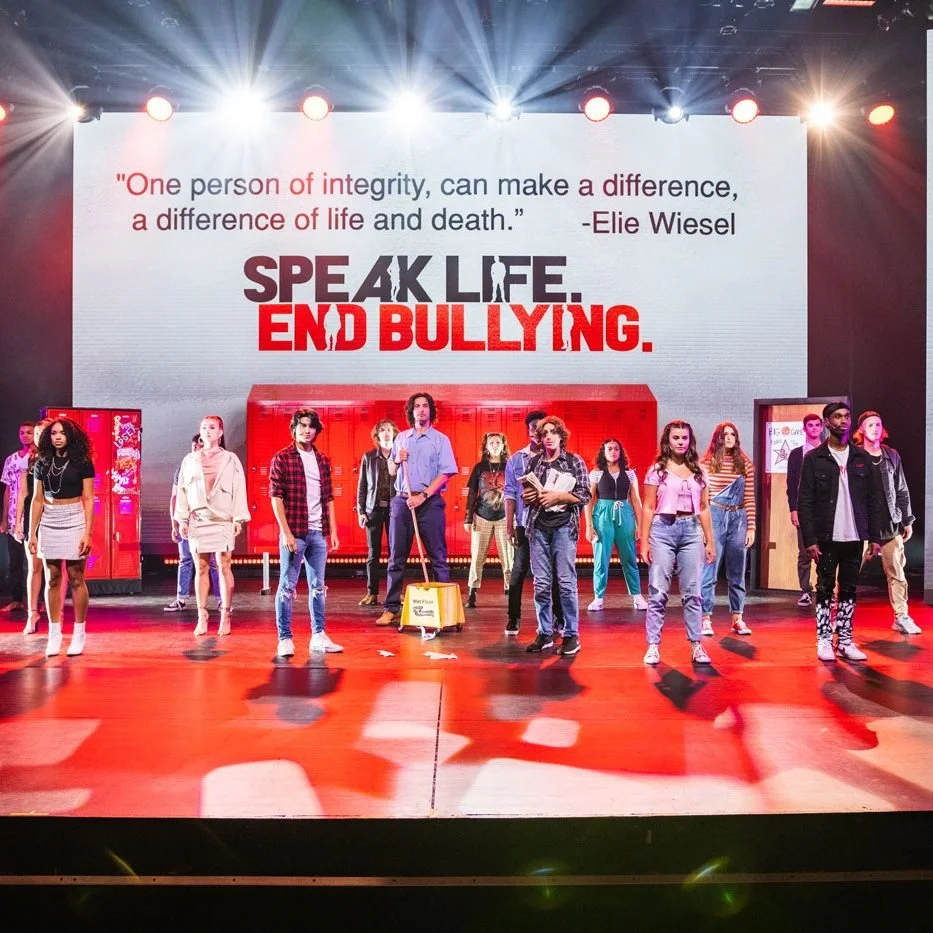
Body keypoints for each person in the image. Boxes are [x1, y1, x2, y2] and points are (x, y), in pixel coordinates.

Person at [797, 401, 885, 662]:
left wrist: (876, 537)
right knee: (824, 587)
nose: (844, 421)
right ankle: (824, 639)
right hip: (826, 537)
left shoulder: (861, 458)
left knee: (849, 588)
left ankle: (845, 639)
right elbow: (805, 501)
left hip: (855, 536)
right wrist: (810, 539)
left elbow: (874, 499)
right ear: (827, 423)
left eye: (847, 416)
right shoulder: (814, 459)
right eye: (837, 417)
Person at [376, 392, 458, 628]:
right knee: (395, 558)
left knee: (438, 558)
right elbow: (391, 471)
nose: (421, 410)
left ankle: (444, 609)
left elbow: (445, 474)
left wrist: (423, 496)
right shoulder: (401, 438)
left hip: (429, 503)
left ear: (431, 411)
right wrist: (396, 460)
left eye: (425, 406)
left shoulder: (441, 440)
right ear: (411, 411)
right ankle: (391, 608)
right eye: (417, 406)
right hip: (402, 502)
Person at [639, 421, 716, 667]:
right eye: (676, 437)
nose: (681, 441)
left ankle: (696, 644)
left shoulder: (699, 471)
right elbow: (649, 507)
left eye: (684, 437)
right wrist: (644, 541)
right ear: (668, 441)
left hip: (691, 530)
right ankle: (653, 645)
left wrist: (710, 541)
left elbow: (704, 508)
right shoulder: (657, 471)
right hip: (663, 529)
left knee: (693, 592)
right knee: (659, 591)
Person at [270, 408, 342, 657]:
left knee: (318, 586)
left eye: (310, 426)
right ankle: (284, 638)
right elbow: (276, 498)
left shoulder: (322, 460)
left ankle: (318, 635)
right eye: (301, 425)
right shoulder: (283, 458)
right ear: (293, 428)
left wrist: (332, 529)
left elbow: (329, 497)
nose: (306, 429)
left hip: (317, 532)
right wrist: (286, 533)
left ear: (316, 430)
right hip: (295, 531)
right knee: (287, 586)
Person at [174, 415, 249, 637]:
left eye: (212, 427)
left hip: (223, 518)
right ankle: (202, 615)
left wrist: (238, 518)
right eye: (204, 427)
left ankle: (226, 614)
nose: (207, 431)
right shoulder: (190, 460)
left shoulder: (231, 459)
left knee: (224, 566)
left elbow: (239, 487)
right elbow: (183, 491)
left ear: (220, 433)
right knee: (202, 567)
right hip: (199, 519)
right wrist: (182, 519)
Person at [521, 415, 590, 657]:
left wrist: (559, 497)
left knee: (565, 582)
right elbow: (526, 494)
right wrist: (528, 497)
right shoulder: (534, 463)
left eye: (553, 432)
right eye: (544, 433)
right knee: (541, 584)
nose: (548, 436)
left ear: (561, 436)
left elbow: (585, 495)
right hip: (538, 527)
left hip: (563, 528)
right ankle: (545, 632)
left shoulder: (573, 462)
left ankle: (571, 634)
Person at [27, 418, 95, 657]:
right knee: (53, 578)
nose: (57, 436)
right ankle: (54, 635)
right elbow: (36, 499)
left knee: (76, 577)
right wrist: (31, 532)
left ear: (71, 436)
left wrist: (88, 532)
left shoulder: (82, 462)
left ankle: (79, 632)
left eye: (62, 433)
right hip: (50, 518)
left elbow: (88, 498)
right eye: (53, 433)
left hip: (74, 517)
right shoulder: (41, 462)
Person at [853, 410, 920, 635]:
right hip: (860, 527)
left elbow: (901, 488)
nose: (875, 428)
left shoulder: (891, 455)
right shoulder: (853, 455)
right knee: (847, 575)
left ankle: (901, 617)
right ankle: (838, 617)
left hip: (890, 524)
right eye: (870, 425)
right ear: (861, 430)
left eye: (878, 424)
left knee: (897, 574)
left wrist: (907, 520)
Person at [504, 410, 566, 637]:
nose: (538, 433)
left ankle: (559, 619)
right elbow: (509, 493)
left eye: (543, 429)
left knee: (556, 573)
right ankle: (513, 617)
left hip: (552, 522)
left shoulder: (559, 458)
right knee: (519, 570)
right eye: (534, 428)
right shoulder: (516, 459)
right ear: (529, 431)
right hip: (525, 522)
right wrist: (509, 525)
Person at [699, 422, 756, 636]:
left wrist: (751, 527)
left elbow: (749, 497)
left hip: (739, 517)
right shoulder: (705, 464)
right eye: (725, 434)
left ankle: (737, 618)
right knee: (709, 569)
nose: (729, 438)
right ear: (717, 438)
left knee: (737, 570)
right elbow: (702, 501)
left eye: (733, 434)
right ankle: (705, 618)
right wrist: (703, 530)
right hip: (715, 515)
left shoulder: (745, 464)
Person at [583, 438, 646, 612]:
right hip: (602, 515)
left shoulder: (630, 473)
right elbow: (589, 499)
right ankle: (598, 597)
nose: (613, 452)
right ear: (603, 452)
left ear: (621, 452)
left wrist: (640, 525)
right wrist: (589, 525)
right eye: (609, 449)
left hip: (624, 514)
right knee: (601, 558)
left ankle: (637, 596)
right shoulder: (596, 473)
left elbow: (636, 499)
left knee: (630, 557)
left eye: (616, 449)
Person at [165, 433, 220, 613]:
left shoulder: (216, 465)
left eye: (199, 446)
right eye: (193, 447)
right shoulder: (183, 467)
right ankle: (181, 598)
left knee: (213, 562)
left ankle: (221, 600)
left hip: (209, 520)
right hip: (187, 521)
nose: (195, 449)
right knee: (185, 559)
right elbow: (175, 497)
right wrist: (175, 522)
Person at [464, 432, 512, 608]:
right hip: (481, 516)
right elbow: (471, 494)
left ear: (503, 446)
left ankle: (510, 590)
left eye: (498, 442)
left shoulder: (509, 466)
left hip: (504, 517)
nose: (494, 445)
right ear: (486, 446)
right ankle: (472, 593)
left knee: (508, 558)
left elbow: (516, 493)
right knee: (477, 557)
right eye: (491, 442)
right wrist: (468, 518)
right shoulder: (479, 468)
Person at [14, 419, 51, 635]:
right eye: (36, 434)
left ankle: (56, 612)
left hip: (55, 516)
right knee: (34, 567)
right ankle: (32, 613)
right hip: (33, 517)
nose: (38, 437)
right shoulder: (29, 461)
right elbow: (23, 494)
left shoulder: (63, 459)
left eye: (42, 433)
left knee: (54, 569)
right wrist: (18, 522)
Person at [356, 420, 398, 607]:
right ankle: (372, 593)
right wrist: (361, 510)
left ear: (394, 434)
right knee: (373, 553)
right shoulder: (369, 457)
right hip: (373, 510)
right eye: (382, 430)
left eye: (389, 430)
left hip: (395, 510)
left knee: (395, 553)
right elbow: (362, 486)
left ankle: (394, 593)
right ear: (377, 435)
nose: (386, 433)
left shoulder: (400, 456)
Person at [787, 412, 824, 607]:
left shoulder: (828, 451)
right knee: (804, 552)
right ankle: (805, 590)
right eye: (810, 425)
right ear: (804, 429)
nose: (814, 428)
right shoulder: (796, 454)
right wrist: (794, 509)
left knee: (825, 552)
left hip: (825, 511)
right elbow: (792, 484)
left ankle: (824, 589)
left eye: (817, 425)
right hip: (804, 510)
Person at [1, 420, 34, 613]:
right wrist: (4, 519)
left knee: (36, 562)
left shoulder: (40, 458)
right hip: (14, 517)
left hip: (33, 515)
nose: (25, 436)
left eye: (29, 432)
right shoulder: (11, 460)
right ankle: (16, 599)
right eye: (22, 433)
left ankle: (38, 602)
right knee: (15, 561)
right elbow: (7, 490)